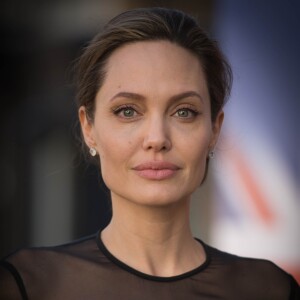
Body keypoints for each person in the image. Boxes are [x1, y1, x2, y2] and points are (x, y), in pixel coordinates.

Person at [0, 7, 299, 300]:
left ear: (215, 130)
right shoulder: (30, 285)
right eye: (127, 111)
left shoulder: (269, 289)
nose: (157, 139)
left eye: (184, 112)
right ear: (88, 128)